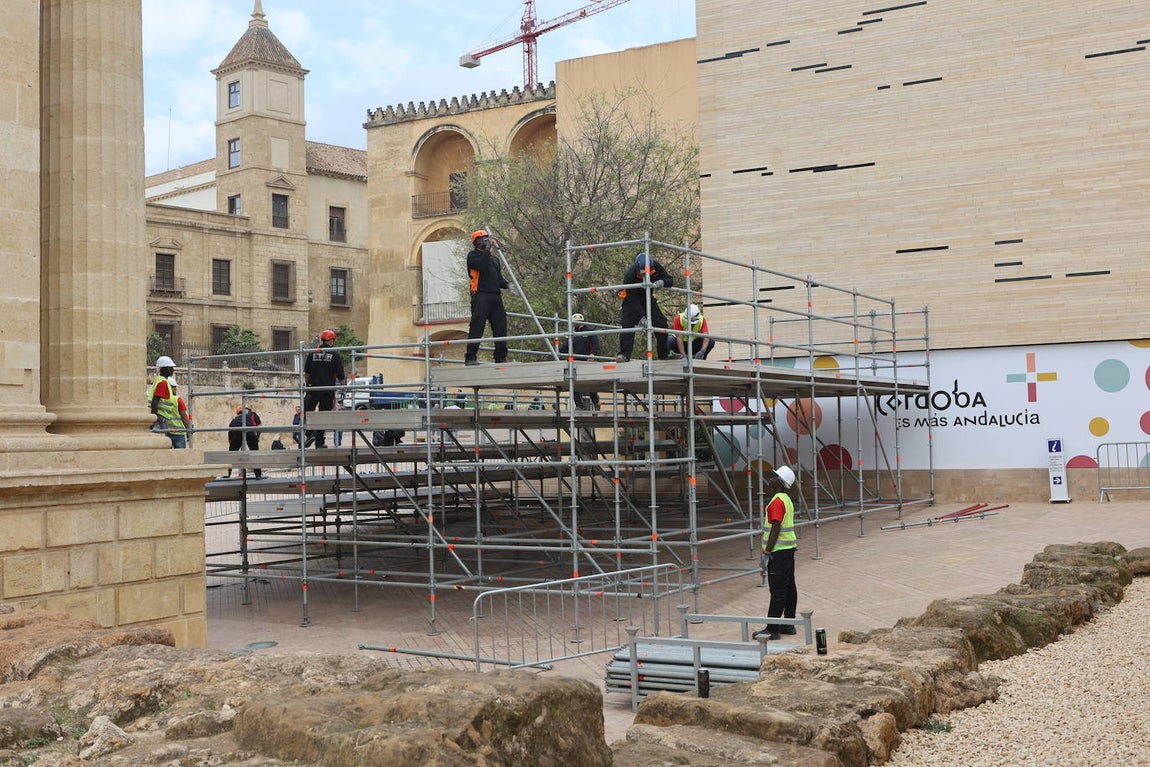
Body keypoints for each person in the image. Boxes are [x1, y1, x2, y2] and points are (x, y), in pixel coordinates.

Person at [754, 466, 799, 640]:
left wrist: (767, 551)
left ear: (780, 482)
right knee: (789, 587)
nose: (770, 479)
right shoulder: (786, 499)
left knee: (778, 590)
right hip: (787, 550)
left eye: (774, 476)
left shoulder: (777, 501)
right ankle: (789, 623)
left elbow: (775, 527)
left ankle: (772, 629)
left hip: (778, 552)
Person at [464, 230, 518, 366]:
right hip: (480, 295)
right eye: (482, 239)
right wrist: (488, 250)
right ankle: (471, 357)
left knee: (500, 327)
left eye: (487, 239)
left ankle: (500, 356)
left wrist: (507, 285)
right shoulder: (473, 256)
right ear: (476, 242)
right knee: (477, 326)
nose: (485, 241)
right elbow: (481, 265)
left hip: (495, 296)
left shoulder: (494, 259)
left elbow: (497, 278)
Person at [615, 252, 678, 363]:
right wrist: (641, 317)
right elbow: (632, 299)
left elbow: (670, 279)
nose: (645, 276)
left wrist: (662, 282)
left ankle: (664, 353)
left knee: (661, 322)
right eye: (642, 273)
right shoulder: (630, 274)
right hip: (632, 300)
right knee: (628, 324)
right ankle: (624, 355)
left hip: (648, 299)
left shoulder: (656, 266)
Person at [302, 329, 346, 448]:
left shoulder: (312, 353)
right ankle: (319, 442)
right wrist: (344, 388)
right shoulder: (335, 355)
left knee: (307, 410)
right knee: (323, 415)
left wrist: (308, 386)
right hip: (327, 390)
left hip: (314, 388)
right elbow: (341, 375)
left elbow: (307, 373)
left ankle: (310, 434)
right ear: (331, 341)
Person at [558, 313, 600, 410]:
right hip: (575, 362)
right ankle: (579, 405)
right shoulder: (572, 334)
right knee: (574, 382)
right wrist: (556, 351)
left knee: (589, 384)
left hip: (587, 361)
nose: (572, 324)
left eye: (574, 322)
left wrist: (593, 354)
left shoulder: (589, 331)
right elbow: (566, 347)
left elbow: (596, 344)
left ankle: (595, 401)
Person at [148, 355, 186, 449]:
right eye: (171, 368)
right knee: (163, 440)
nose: (172, 370)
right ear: (166, 369)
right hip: (161, 416)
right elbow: (155, 401)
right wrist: (154, 418)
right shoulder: (163, 383)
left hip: (162, 415)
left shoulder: (161, 380)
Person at [225, 405, 262, 478]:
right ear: (248, 410)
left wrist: (231, 444)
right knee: (254, 453)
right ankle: (258, 475)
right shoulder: (253, 414)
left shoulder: (235, 419)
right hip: (249, 430)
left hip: (237, 431)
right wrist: (257, 438)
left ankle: (227, 474)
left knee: (231, 454)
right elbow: (259, 428)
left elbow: (230, 433)